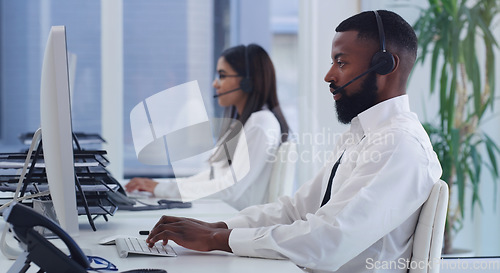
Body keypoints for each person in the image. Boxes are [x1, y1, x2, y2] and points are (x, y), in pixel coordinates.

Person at [144, 10, 443, 273]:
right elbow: (296, 210)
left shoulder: (400, 145)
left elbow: (330, 241)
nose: (328, 75)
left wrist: (218, 239)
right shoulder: (360, 135)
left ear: (384, 65)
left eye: (341, 62)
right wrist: (219, 228)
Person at [125, 44, 290, 210]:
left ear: (247, 82)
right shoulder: (244, 123)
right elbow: (213, 176)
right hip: (223, 213)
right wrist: (161, 187)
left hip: (233, 218)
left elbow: (229, 189)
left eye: (222, 76)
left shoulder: (260, 124)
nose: (215, 84)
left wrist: (163, 189)